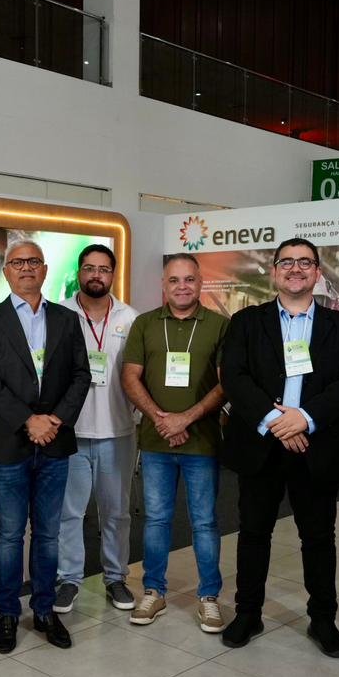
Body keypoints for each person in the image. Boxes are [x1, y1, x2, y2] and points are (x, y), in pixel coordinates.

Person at [219, 237, 339, 654]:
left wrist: (306, 418)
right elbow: (234, 376)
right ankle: (248, 613)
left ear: (318, 272)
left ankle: (322, 619)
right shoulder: (246, 322)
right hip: (261, 446)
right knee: (253, 533)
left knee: (319, 538)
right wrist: (277, 422)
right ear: (274, 272)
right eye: (287, 262)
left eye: (305, 262)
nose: (295, 269)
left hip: (316, 447)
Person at [0, 240, 91, 653]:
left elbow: (81, 375)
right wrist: (29, 420)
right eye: (18, 262)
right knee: (9, 533)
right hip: (9, 442)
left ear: (44, 269)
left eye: (34, 261)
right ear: (6, 271)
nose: (26, 268)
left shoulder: (67, 319)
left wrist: (54, 420)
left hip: (55, 442)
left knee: (48, 534)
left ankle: (43, 610)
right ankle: (8, 613)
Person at [121, 253, 228, 633]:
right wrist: (162, 419)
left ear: (201, 283)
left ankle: (209, 596)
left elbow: (226, 382)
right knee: (156, 520)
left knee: (205, 522)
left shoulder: (220, 325)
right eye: (174, 280)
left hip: (202, 443)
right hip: (156, 442)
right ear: (163, 285)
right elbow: (130, 377)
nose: (182, 286)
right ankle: (154, 591)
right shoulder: (145, 323)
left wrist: (186, 418)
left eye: (189, 279)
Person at [54, 245, 141, 614]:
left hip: (118, 431)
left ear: (112, 275)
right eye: (89, 268)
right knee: (69, 513)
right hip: (70, 433)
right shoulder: (60, 315)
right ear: (79, 272)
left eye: (103, 269)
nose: (96, 275)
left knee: (117, 513)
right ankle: (68, 579)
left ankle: (116, 577)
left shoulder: (130, 318)